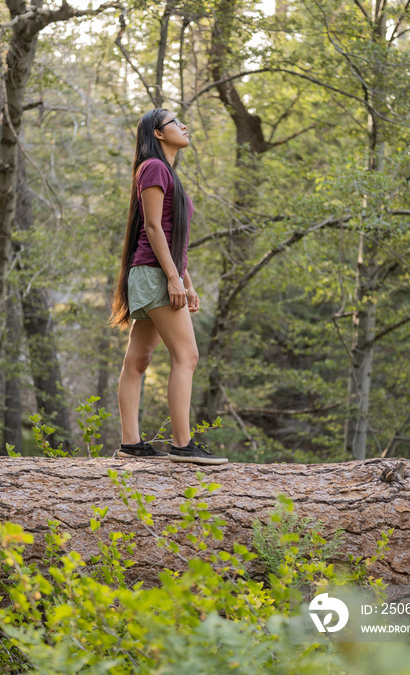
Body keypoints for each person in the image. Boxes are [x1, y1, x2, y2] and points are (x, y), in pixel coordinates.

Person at [110, 108, 228, 466]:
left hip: (153, 273)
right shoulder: (154, 168)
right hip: (153, 274)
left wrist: (186, 282)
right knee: (186, 356)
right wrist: (174, 280)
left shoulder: (165, 172)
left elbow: (175, 239)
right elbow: (153, 229)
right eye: (176, 122)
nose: (185, 126)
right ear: (158, 134)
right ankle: (182, 445)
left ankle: (131, 443)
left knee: (139, 359)